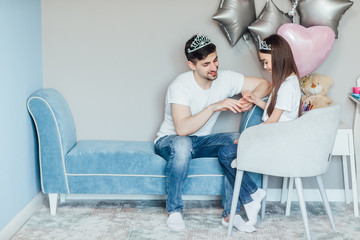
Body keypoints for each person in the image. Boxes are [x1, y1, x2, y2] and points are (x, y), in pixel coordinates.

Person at [154, 33, 271, 231]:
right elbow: (182, 129)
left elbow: (266, 84)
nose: (214, 67)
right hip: (170, 140)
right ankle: (174, 211)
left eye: (215, 60)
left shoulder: (225, 78)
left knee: (236, 140)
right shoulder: (180, 86)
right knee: (183, 143)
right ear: (192, 65)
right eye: (206, 64)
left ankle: (230, 214)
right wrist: (214, 107)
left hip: (200, 141)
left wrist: (249, 99)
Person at [218, 34, 302, 228]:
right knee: (228, 152)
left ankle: (252, 195)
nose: (265, 67)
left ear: (278, 56)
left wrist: (248, 138)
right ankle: (252, 195)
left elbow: (272, 122)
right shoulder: (287, 82)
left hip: (276, 143)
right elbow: (278, 113)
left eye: (266, 62)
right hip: (275, 139)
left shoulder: (288, 86)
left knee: (225, 152)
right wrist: (256, 100)